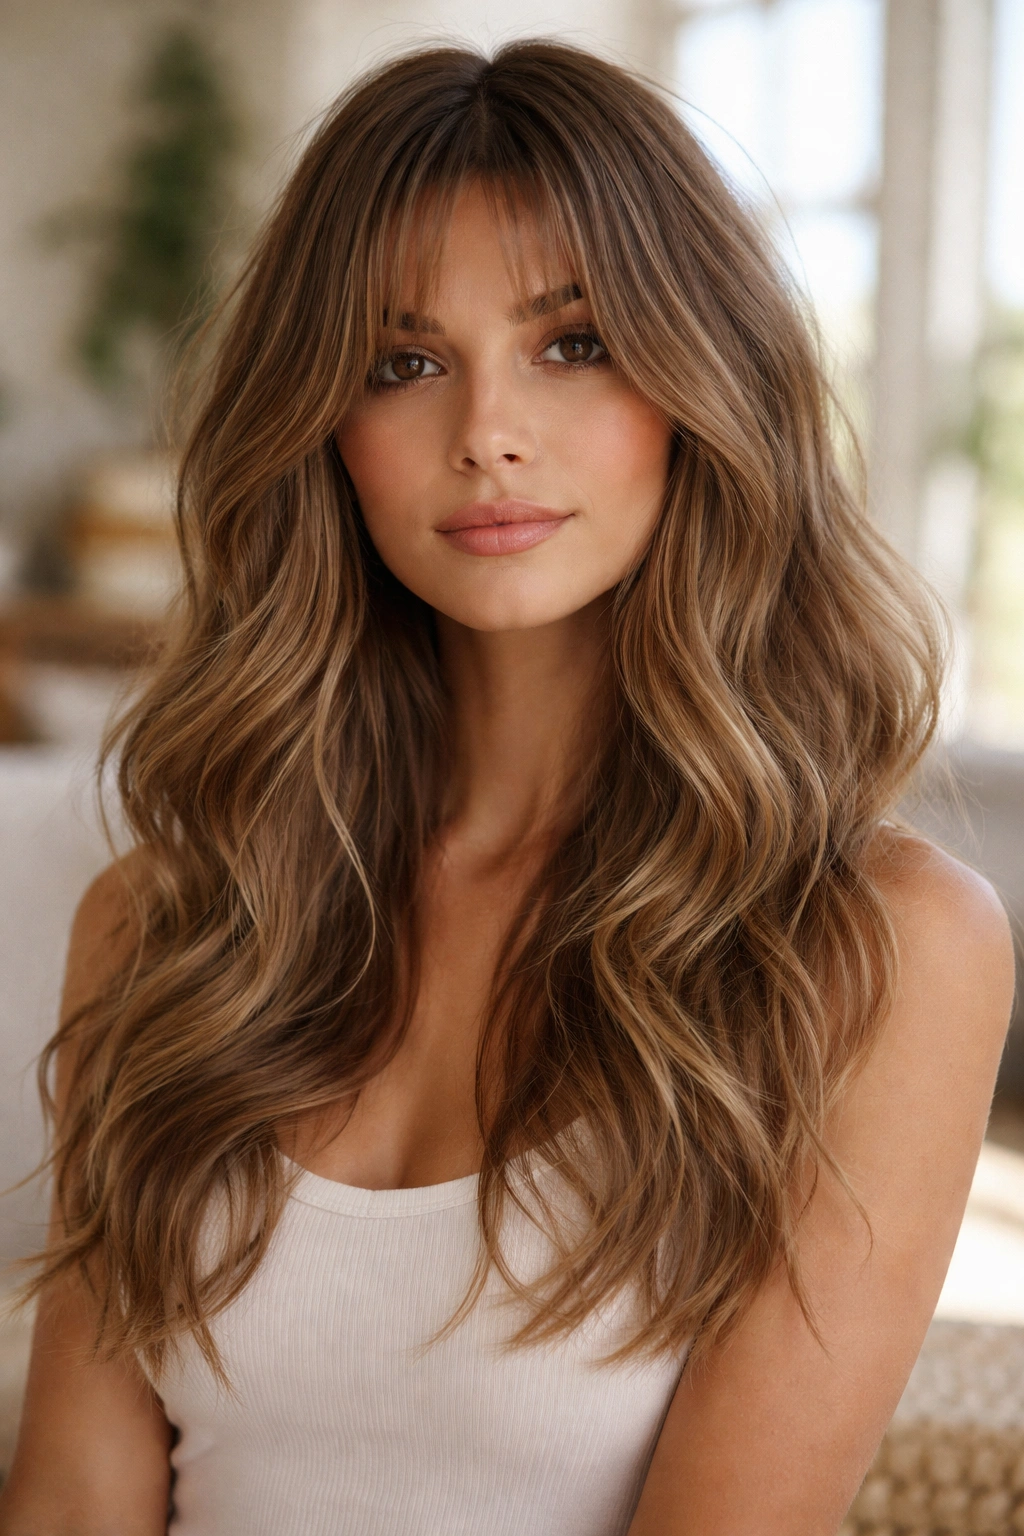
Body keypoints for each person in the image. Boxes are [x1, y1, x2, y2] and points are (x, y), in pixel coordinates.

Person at [0, 40, 1013, 1536]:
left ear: (704, 382)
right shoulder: (174, 923)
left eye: (574, 341)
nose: (485, 430)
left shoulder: (877, 948)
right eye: (403, 364)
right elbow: (73, 1507)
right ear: (324, 434)